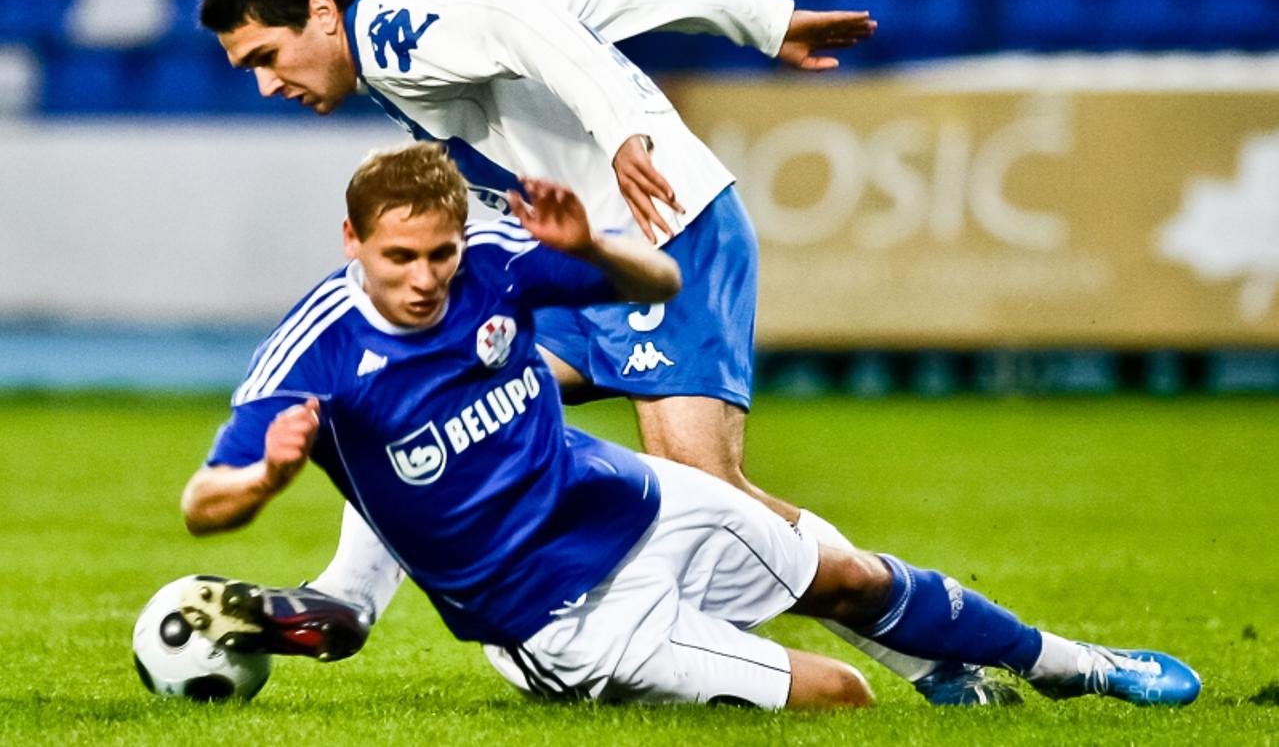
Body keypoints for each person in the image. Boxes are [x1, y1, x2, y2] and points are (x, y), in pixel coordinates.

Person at [196, 0, 995, 703]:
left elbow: (529, 24)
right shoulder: (398, 41)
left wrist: (622, 131)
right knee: (427, 389)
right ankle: (348, 593)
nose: (268, 84)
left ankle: (930, 654)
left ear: (323, 13)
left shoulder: (401, 32)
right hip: (586, 259)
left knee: (711, 493)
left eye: (266, 56)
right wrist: (760, 18)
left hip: (658, 237)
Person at [179, 142, 1200, 710]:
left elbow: (662, 283)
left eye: (439, 254)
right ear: (351, 240)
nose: (424, 278)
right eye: (399, 257)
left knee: (850, 573)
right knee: (838, 698)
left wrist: (599, 252)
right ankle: (637, 683)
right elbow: (202, 503)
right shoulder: (314, 351)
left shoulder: (493, 257)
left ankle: (1075, 665)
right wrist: (260, 480)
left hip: (637, 502)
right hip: (562, 617)